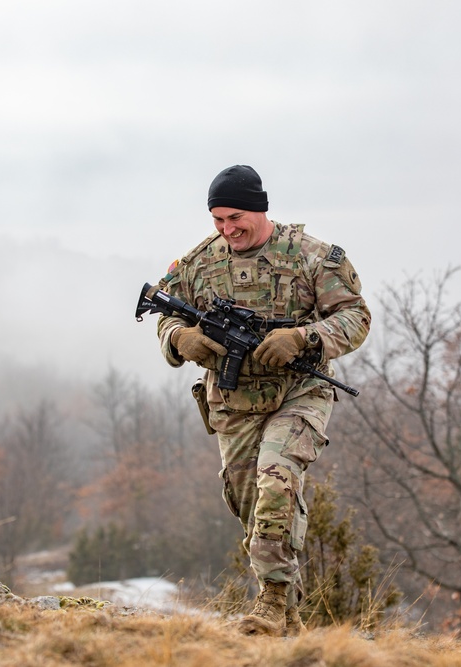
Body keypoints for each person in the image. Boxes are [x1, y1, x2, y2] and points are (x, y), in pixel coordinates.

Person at [151, 165, 371, 637]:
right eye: (218, 220)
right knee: (251, 504)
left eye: (235, 218)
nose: (228, 230)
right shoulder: (197, 263)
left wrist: (303, 337)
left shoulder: (314, 258)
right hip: (232, 401)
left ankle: (269, 603)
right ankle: (288, 618)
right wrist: (181, 339)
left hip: (299, 392)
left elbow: (355, 317)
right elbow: (163, 314)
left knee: (277, 480)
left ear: (259, 209)